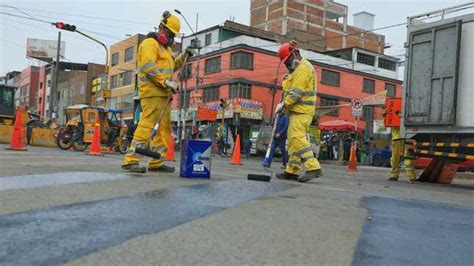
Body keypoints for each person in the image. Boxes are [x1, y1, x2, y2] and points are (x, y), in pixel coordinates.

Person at [122, 10, 194, 173]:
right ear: (161, 28)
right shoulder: (149, 44)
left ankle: (156, 162)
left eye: (172, 35)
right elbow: (148, 66)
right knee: (147, 125)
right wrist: (165, 81)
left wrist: (185, 55)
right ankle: (130, 160)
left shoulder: (166, 50)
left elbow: (172, 66)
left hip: (164, 94)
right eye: (169, 33)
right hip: (152, 92)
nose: (170, 38)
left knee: (164, 130)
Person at [274, 42, 322, 182]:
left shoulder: (303, 68)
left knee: (298, 139)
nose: (287, 64)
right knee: (293, 142)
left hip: (302, 111)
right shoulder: (297, 70)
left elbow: (295, 93)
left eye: (288, 61)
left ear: (295, 54)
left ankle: (313, 168)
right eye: (285, 63)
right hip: (297, 112)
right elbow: (289, 87)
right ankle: (292, 170)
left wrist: (283, 105)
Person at [383, 109, 416, 182]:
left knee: (398, 158)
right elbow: (387, 124)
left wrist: (385, 116)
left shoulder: (391, 113)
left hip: (399, 139)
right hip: (405, 138)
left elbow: (387, 123)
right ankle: (411, 176)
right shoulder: (406, 112)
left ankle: (395, 175)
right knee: (404, 158)